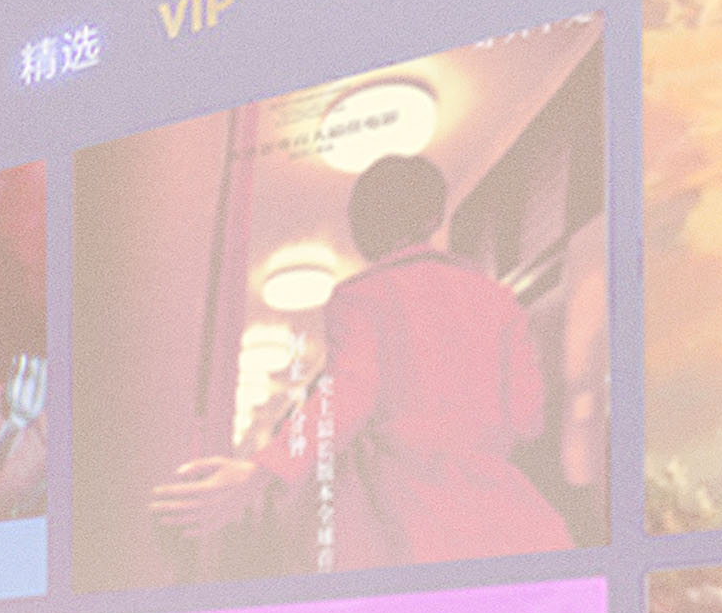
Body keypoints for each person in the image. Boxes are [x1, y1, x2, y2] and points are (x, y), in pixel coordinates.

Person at [153, 152, 573, 568]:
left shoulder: (364, 295)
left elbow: (351, 393)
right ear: (434, 218)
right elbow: (527, 419)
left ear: (363, 225)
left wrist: (261, 470)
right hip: (498, 511)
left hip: (397, 512)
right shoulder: (499, 301)